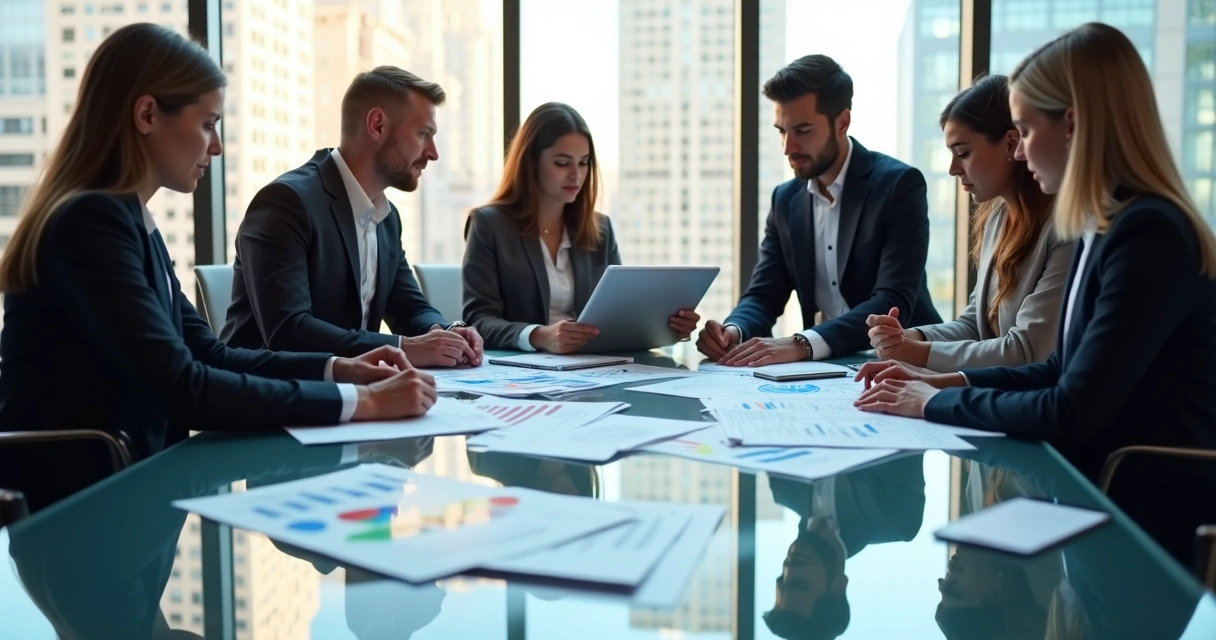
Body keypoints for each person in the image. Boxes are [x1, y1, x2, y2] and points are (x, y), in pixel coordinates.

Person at [0, 24, 437, 510]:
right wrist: (366, 404)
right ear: (147, 114)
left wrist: (342, 372)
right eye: (208, 123)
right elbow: (184, 386)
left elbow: (210, 352)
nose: (217, 147)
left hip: (132, 488)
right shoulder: (91, 223)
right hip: (78, 508)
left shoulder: (126, 219)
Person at [854, 23, 1216, 563]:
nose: (1019, 152)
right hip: (1098, 499)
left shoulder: (1147, 235)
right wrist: (935, 381)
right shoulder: (1108, 225)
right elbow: (1058, 370)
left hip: (1143, 519)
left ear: (1072, 125)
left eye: (1023, 130)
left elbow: (1071, 409)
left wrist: (936, 400)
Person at [221, 66, 483, 367]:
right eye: (423, 134)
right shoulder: (287, 203)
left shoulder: (386, 216)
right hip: (271, 399)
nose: (433, 153)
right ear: (377, 125)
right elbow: (288, 332)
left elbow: (410, 309)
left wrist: (447, 333)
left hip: (350, 391)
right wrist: (404, 348)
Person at [697, 55, 941, 367]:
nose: (788, 147)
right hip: (827, 369)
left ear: (842, 122)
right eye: (782, 131)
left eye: (802, 131)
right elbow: (763, 295)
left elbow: (892, 301)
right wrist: (733, 331)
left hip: (905, 363)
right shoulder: (785, 200)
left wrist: (802, 342)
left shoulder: (898, 186)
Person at [866, 75, 1071, 372]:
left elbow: (1029, 350)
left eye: (963, 153)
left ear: (1011, 143)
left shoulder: (1065, 228)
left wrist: (917, 352)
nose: (952, 169)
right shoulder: (997, 218)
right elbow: (975, 325)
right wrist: (908, 337)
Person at [462, 102, 700, 353]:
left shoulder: (600, 229)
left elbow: (619, 313)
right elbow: (478, 321)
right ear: (531, 162)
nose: (576, 175)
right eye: (562, 163)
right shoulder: (489, 225)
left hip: (592, 368)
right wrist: (540, 336)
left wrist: (666, 326)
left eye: (584, 163)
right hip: (520, 374)